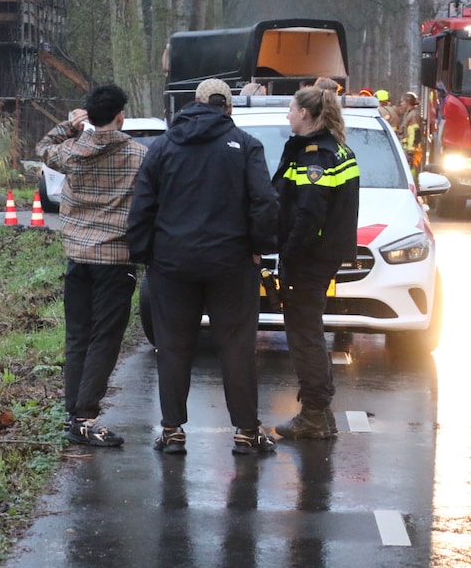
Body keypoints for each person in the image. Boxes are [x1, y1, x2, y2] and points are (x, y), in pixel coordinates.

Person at [127, 78, 279, 456]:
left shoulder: (162, 148)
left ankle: (172, 430)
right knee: (237, 347)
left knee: (173, 346)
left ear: (193, 103)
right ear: (229, 107)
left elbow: (142, 204)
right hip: (232, 264)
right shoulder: (246, 146)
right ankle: (246, 432)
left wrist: (144, 253)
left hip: (172, 264)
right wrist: (260, 248)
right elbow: (264, 201)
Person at [35, 84, 147, 447]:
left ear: (89, 116)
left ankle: (74, 413)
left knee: (78, 336)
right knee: (105, 338)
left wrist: (70, 125)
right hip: (116, 259)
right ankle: (85, 416)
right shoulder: (138, 155)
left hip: (78, 258)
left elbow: (42, 148)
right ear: (120, 116)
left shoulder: (71, 152)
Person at [273, 86, 359, 440]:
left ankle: (313, 414)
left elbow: (309, 214)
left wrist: (289, 255)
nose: (288, 114)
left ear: (305, 114)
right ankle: (321, 413)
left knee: (304, 336)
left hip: (308, 260)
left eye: (291, 109)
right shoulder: (336, 149)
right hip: (321, 258)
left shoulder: (315, 157)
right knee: (309, 332)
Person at [398, 91, 424, 176]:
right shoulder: (408, 114)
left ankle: (413, 183)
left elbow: (414, 133)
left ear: (407, 102)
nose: (401, 104)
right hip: (407, 149)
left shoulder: (413, 115)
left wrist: (410, 151)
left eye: (402, 101)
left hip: (411, 151)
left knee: (411, 171)